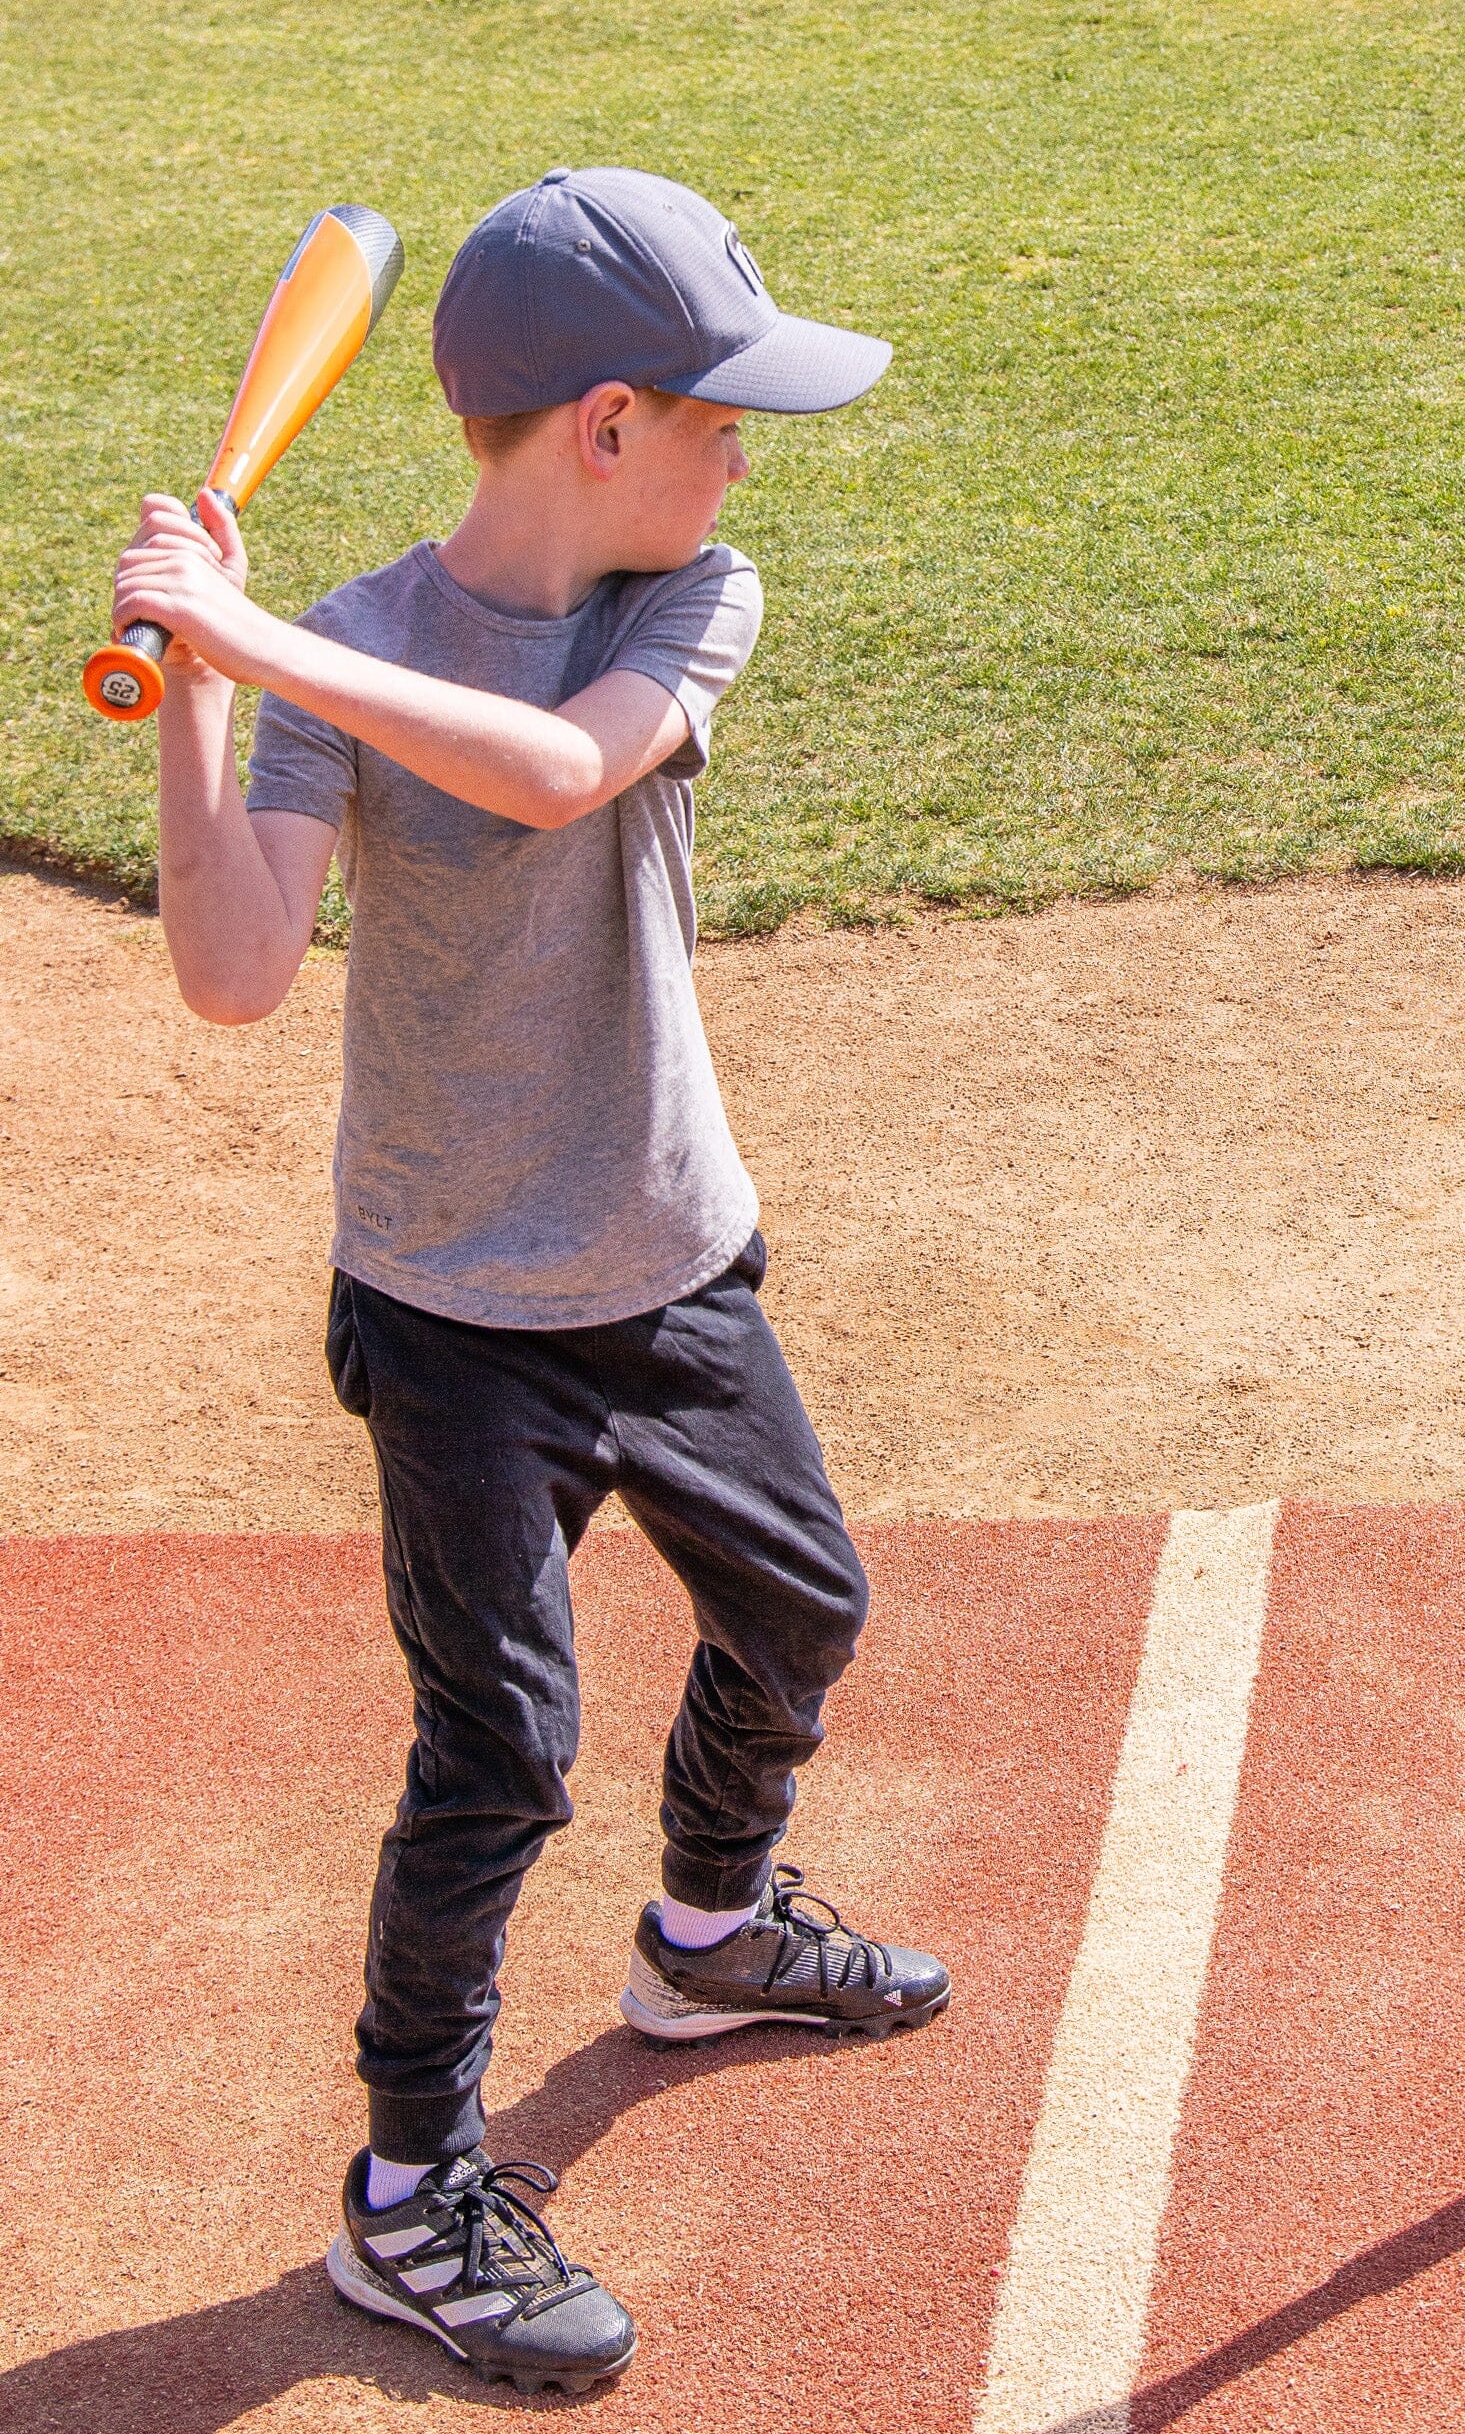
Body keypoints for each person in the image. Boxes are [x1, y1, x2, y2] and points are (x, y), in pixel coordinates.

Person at [112, 168, 951, 2394]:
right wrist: (203, 686)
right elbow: (229, 973)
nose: (746, 452)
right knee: (498, 1751)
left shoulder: (686, 605)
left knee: (808, 1609)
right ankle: (407, 2200)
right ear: (600, 420)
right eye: (719, 410)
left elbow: (559, 775)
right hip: (454, 1309)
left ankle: (707, 1926)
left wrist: (268, 639)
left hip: (668, 1258)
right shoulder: (349, 639)